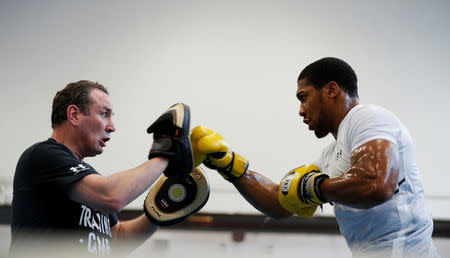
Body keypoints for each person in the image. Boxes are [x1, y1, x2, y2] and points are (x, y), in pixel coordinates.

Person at [190, 57, 439, 257]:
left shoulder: (368, 117)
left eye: (303, 96)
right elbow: (279, 202)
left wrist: (315, 187)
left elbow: (376, 184)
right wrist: (230, 165)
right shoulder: (329, 156)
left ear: (331, 90)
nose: (300, 110)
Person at [10, 80, 195, 257]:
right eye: (104, 114)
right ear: (74, 115)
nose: (112, 127)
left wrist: (160, 210)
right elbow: (112, 196)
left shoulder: (88, 177)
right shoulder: (43, 155)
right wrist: (166, 152)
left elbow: (117, 237)